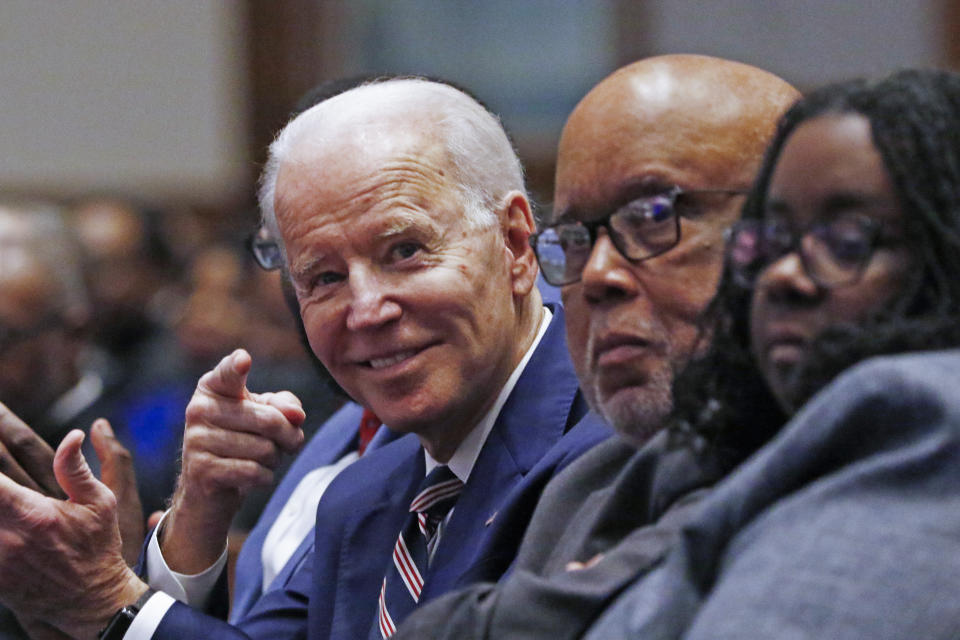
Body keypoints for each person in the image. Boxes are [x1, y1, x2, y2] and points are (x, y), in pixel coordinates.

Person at [0, 77, 609, 640]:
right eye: (324, 277)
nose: (366, 309)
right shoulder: (361, 496)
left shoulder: (615, 452)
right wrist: (198, 512)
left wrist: (104, 601)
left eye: (405, 250)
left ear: (516, 245)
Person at [393, 54, 800, 639]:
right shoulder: (582, 485)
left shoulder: (869, 449)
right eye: (577, 238)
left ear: (792, 237)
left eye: (654, 215)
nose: (600, 274)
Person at [582, 67, 960, 640]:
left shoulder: (918, 424)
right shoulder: (734, 454)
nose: (783, 276)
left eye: (845, 241)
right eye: (773, 240)